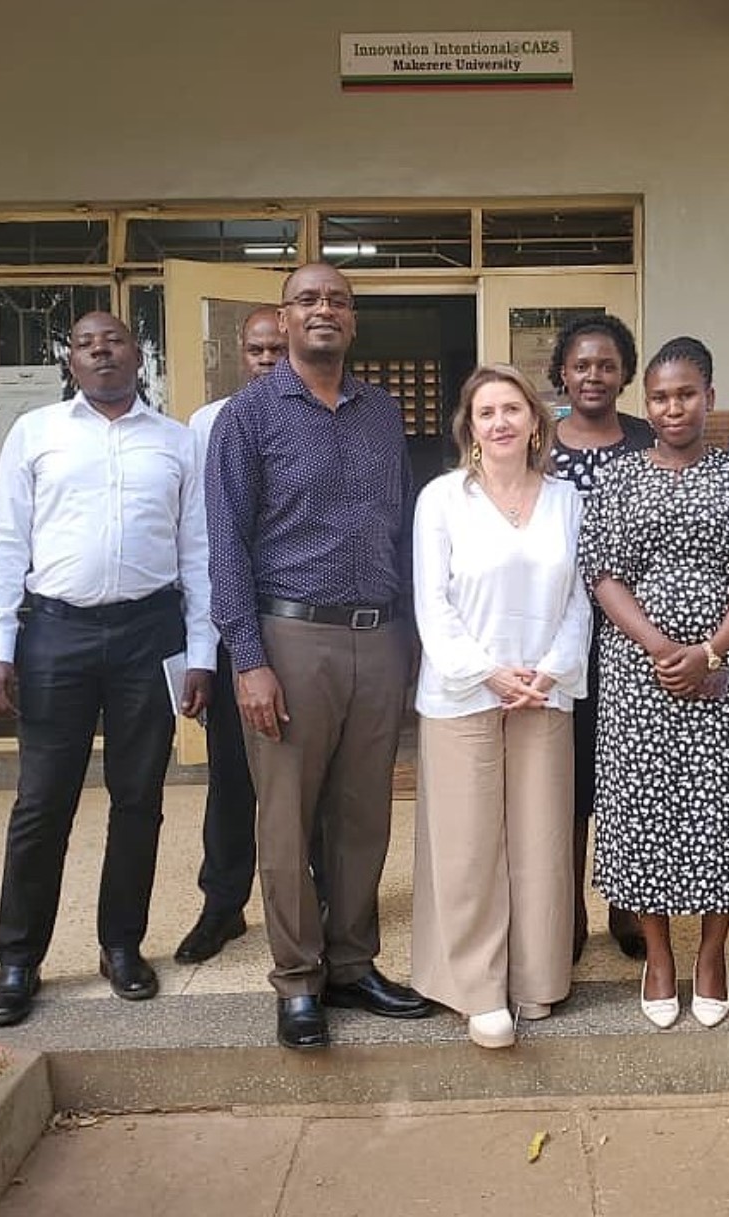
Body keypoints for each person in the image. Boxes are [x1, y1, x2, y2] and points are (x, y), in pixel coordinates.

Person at [206, 262, 434, 1050]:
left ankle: (352, 963)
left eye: (337, 298)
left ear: (354, 317)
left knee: (363, 814)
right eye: (308, 300)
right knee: (287, 816)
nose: (323, 309)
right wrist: (248, 657)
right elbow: (226, 545)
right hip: (290, 637)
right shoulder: (250, 414)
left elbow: (400, 531)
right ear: (285, 316)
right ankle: (298, 980)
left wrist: (409, 639)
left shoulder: (380, 412)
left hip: (379, 634)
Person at [0, 311, 214, 1028]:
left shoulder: (175, 443)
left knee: (138, 799)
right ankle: (19, 959)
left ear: (137, 356)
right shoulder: (37, 434)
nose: (102, 351)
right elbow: (4, 539)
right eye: (86, 343)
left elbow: (197, 551)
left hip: (149, 631)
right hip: (58, 634)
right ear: (70, 359)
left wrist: (200, 652)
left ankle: (121, 945)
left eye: (114, 341)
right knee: (42, 803)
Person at [579, 337, 729, 1029]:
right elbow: (602, 573)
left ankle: (713, 953)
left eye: (687, 393)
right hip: (638, 672)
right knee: (643, 811)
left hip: (720, 672)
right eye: (662, 396)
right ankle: (661, 954)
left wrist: (712, 649)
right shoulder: (619, 480)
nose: (674, 407)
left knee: (721, 808)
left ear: (710, 395)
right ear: (648, 401)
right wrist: (663, 647)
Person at [411, 364, 591, 1049]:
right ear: (470, 426)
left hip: (544, 690)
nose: (501, 422)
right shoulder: (441, 499)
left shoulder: (567, 500)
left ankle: (536, 977)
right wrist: (486, 672)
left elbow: (580, 595)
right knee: (467, 844)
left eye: (512, 408)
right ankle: (477, 988)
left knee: (541, 839)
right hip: (463, 693)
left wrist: (546, 671)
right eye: (486, 412)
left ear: (536, 421)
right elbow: (433, 602)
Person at [174, 306, 290, 966]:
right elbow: (202, 541)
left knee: (308, 774)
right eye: (257, 349)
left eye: (278, 347)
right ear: (241, 354)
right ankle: (223, 904)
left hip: (303, 623)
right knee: (231, 775)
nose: (268, 358)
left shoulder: (328, 413)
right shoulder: (208, 424)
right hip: (232, 626)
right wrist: (205, 649)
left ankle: (315, 897)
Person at [546, 315, 653, 963]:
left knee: (629, 775)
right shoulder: (539, 444)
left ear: (625, 373)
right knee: (570, 778)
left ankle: (627, 905)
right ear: (562, 369)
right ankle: (568, 908)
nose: (593, 375)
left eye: (607, 365)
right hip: (560, 638)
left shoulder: (646, 439)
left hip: (635, 638)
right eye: (582, 364)